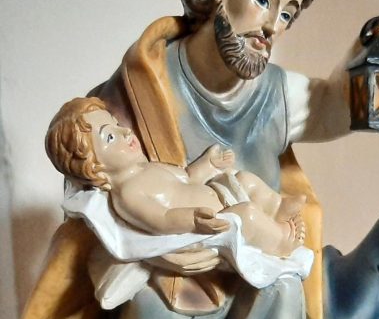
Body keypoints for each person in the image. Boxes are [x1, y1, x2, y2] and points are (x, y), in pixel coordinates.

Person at [18, 0, 379, 319]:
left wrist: (371, 50)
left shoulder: (276, 92)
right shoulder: (136, 89)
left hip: (253, 255)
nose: (272, 26)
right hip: (169, 282)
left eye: (288, 14)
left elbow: (330, 104)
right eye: (263, 0)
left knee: (283, 289)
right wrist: (157, 247)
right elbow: (88, 198)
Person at [46, 97, 306, 257]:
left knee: (246, 179)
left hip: (222, 195)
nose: (125, 132)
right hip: (214, 223)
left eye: (116, 124)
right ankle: (281, 242)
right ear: (96, 169)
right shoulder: (128, 194)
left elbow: (187, 177)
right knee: (247, 216)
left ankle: (277, 207)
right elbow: (161, 220)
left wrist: (208, 163)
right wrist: (193, 220)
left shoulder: (150, 169)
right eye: (110, 136)